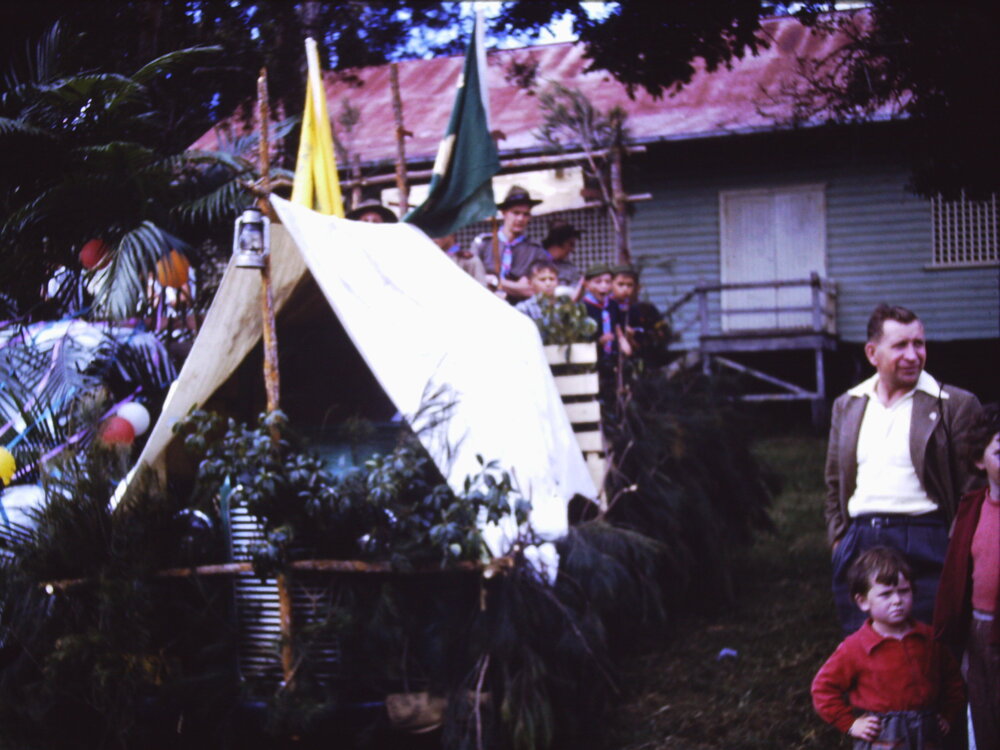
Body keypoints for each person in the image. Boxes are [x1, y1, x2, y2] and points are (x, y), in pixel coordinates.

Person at [825, 304, 982, 633]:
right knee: (865, 652)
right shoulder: (848, 404)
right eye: (900, 346)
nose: (913, 355)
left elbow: (973, 489)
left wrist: (957, 548)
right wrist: (839, 539)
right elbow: (834, 480)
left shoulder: (953, 405)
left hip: (926, 540)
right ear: (872, 353)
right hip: (860, 540)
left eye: (919, 344)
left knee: (928, 652)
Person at [812, 546, 964, 750]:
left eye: (904, 591)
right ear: (863, 601)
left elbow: (953, 679)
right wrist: (850, 723)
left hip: (927, 733)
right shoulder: (855, 647)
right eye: (886, 594)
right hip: (882, 737)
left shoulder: (929, 638)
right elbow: (822, 688)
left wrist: (948, 714)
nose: (897, 601)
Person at [933, 403, 999, 750]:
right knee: (983, 713)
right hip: (978, 630)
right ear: (979, 460)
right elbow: (958, 575)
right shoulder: (971, 508)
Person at [471, 185, 549, 303]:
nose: (520, 218)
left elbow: (530, 290)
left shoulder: (535, 251)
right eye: (515, 213)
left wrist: (493, 281)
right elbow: (472, 280)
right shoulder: (483, 244)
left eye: (525, 214)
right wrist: (515, 286)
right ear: (504, 213)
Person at [542, 222, 583, 294]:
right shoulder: (534, 260)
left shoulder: (570, 268)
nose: (573, 249)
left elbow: (576, 292)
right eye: (571, 244)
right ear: (559, 241)